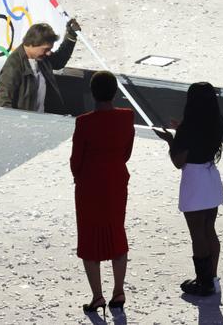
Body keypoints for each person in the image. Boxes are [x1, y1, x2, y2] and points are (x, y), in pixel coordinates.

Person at [70, 71, 135, 315]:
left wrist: (81, 175)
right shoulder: (127, 117)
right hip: (116, 182)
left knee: (90, 238)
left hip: (90, 186)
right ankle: (118, 291)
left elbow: (76, 160)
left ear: (93, 92)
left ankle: (97, 297)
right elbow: (126, 152)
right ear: (115, 91)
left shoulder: (84, 122)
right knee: (116, 231)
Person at [154, 82, 223, 296]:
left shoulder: (188, 127)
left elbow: (178, 161)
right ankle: (211, 277)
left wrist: (171, 139)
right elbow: (200, 139)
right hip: (211, 177)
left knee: (197, 235)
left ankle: (203, 284)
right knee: (209, 229)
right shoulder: (217, 121)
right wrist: (182, 131)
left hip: (194, 181)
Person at [0, 19, 81, 113]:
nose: (48, 53)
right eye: (45, 49)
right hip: (25, 123)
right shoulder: (13, 65)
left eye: (50, 49)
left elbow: (58, 61)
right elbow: (2, 101)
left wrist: (70, 37)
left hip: (44, 119)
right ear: (32, 44)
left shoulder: (41, 58)